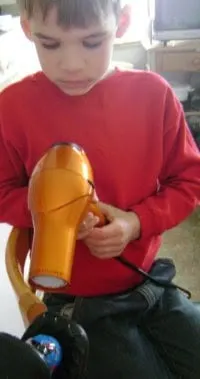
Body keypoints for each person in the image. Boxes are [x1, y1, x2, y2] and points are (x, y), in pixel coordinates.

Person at [0, 0, 200, 378]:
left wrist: (136, 223)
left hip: (150, 281)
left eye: (91, 42)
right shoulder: (12, 108)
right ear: (28, 29)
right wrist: (53, 214)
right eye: (50, 44)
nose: (71, 64)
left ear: (121, 23)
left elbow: (189, 181)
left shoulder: (154, 96)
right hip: (76, 300)